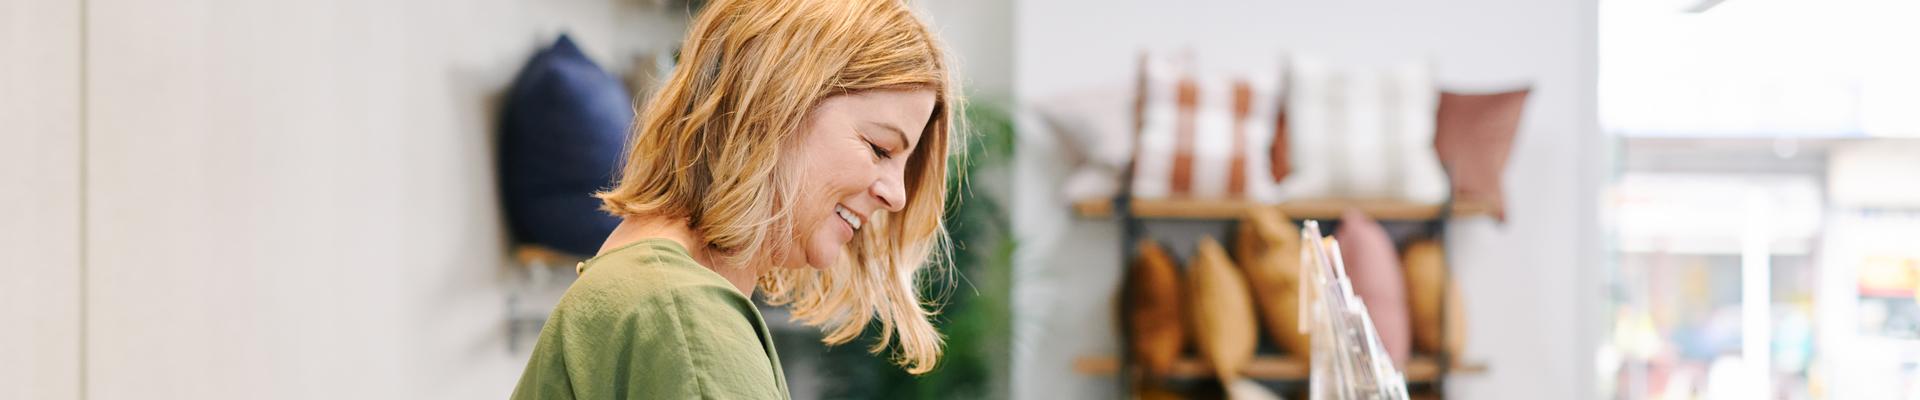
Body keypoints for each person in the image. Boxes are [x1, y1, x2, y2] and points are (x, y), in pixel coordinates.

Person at [510, 0, 960, 398]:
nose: (897, 195)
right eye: (880, 149)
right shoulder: (686, 320)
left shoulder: (654, 292)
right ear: (774, 106)